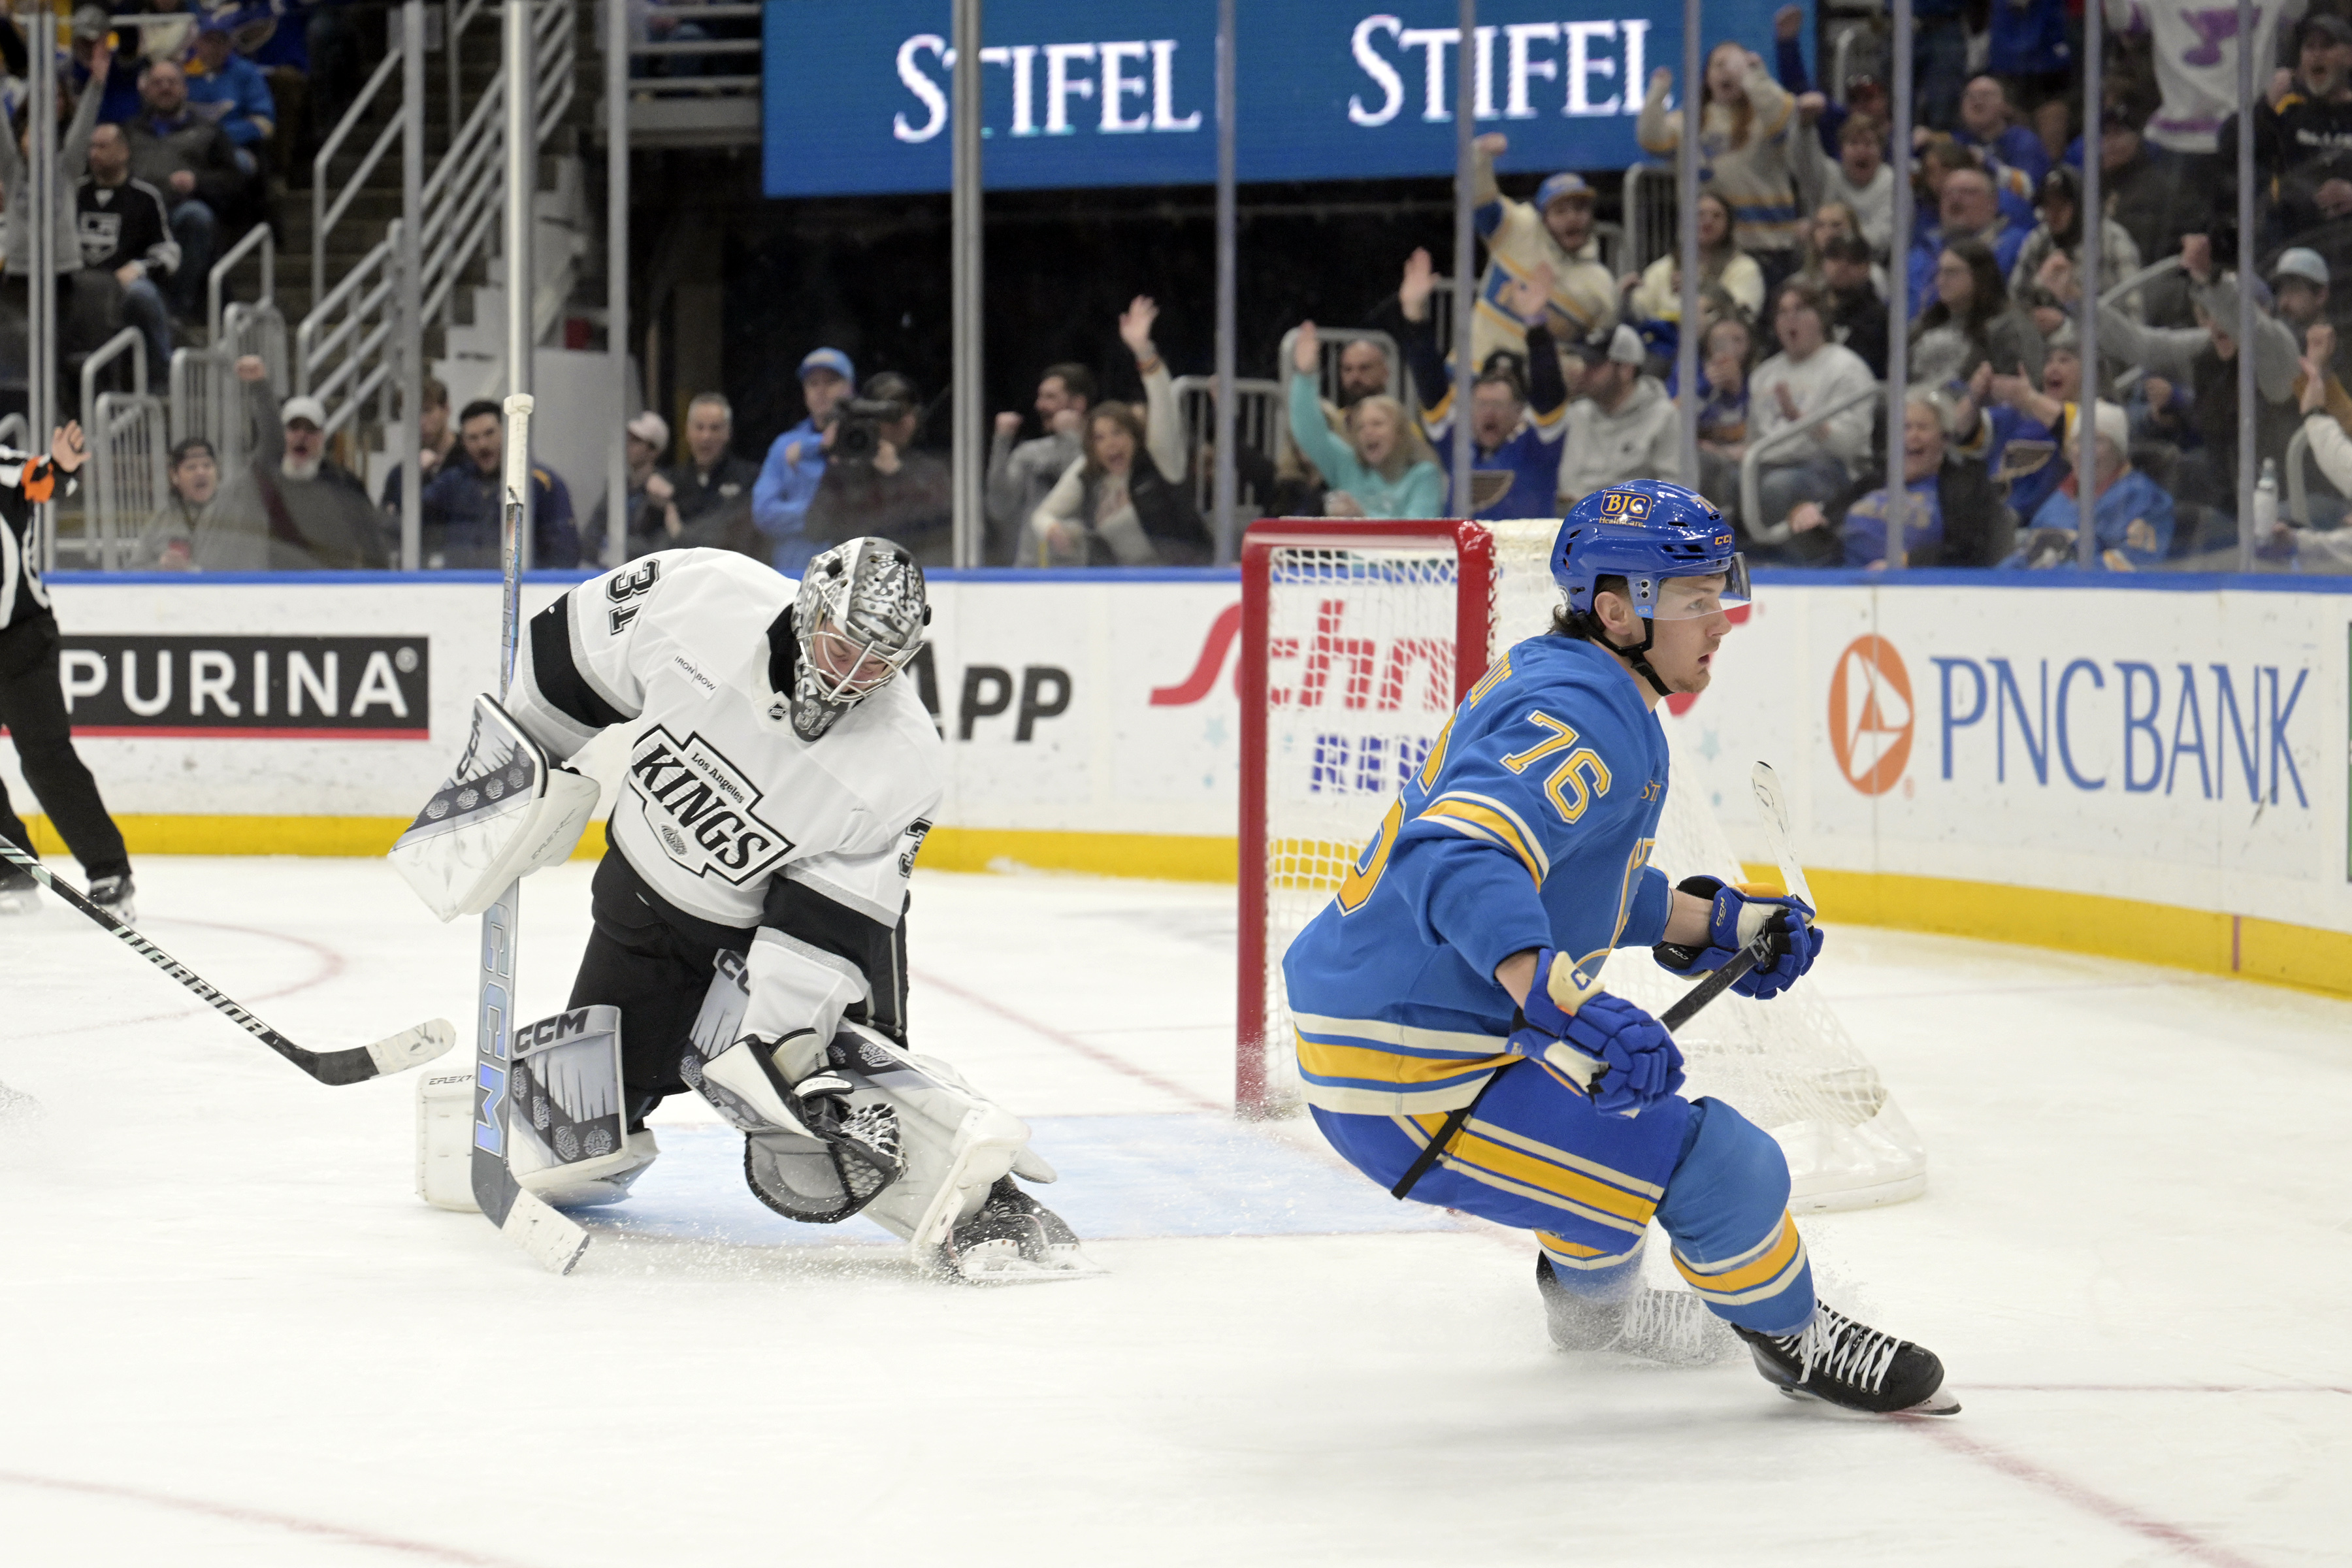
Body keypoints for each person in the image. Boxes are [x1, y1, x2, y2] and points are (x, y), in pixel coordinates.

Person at [1280, 481, 1953, 1413]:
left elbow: (1569, 884)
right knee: (1717, 1160)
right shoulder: (1591, 712)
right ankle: (1795, 1341)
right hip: (1411, 1069)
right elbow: (1460, 851)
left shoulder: (1574, 679)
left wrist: (1717, 923)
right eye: (1693, 600)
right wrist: (1561, 1003)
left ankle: (1593, 1322)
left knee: (1612, 1136)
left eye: (1721, 592)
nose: (1719, 621)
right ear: (1616, 609)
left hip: (1400, 1023)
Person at [473, 536, 1096, 1278]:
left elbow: (823, 928)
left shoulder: (900, 758)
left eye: (877, 662)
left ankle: (985, 1206)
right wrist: (522, 764)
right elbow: (569, 659)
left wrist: (777, 1047)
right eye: (841, 645)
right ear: (809, 608)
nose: (849, 675)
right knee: (567, 1132)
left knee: (823, 1084)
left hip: (753, 935)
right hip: (635, 913)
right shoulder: (701, 596)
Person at [2062, 237, 2302, 529]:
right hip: (2231, 504)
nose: (2215, 324)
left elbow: (2258, 333)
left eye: (2224, 313)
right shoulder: (2206, 347)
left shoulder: (2282, 350)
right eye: (2206, 314)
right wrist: (2077, 299)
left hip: (2289, 505)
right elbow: (2141, 346)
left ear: (2262, 312)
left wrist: (2212, 282)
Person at [0, 419, 136, 921]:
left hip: (19, 638)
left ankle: (109, 871)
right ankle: (9, 866)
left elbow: (46, 478)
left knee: (45, 755)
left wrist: (63, 466)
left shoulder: (4, 468)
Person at [1026, 298, 1206, 561]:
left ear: (1134, 437)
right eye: (1100, 437)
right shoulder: (1088, 472)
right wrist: (1056, 530)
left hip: (1185, 580)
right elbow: (1042, 516)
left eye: (1118, 433)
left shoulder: (1161, 462)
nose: (1110, 443)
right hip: (1124, 588)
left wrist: (1144, 351)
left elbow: (1163, 404)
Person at [1397, 248, 1567, 519]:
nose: (1489, 412)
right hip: (1465, 559)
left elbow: (1549, 396)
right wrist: (1414, 317)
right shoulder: (1458, 446)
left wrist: (1536, 327)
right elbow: (1432, 391)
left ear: (1519, 412)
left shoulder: (1537, 447)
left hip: (1525, 558)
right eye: (1482, 404)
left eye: (1499, 405)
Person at [1789, 390, 2012, 568]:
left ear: (1944, 439)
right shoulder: (1872, 482)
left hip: (1914, 591)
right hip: (1844, 583)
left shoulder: (1967, 485)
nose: (1911, 436)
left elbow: (1972, 550)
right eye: (1904, 427)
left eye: (1922, 427)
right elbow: (1827, 519)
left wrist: (1905, 565)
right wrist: (1805, 514)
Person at [1639, 48, 1803, 289]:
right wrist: (1657, 95)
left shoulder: (1764, 117)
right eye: (1719, 64)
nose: (1727, 71)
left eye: (1734, 65)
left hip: (1767, 244)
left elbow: (1785, 117)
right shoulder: (1688, 122)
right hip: (1707, 251)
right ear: (1707, 76)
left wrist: (1756, 77)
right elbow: (1652, 141)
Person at [1466, 132, 1620, 369]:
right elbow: (1477, 199)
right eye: (1560, 211)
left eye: (1580, 209)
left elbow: (1598, 360)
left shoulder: (1601, 285)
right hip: (1470, 376)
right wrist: (1480, 156)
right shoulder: (1519, 229)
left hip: (1535, 398)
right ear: (1543, 219)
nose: (1572, 219)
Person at [1742, 281, 1878, 542]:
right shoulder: (1764, 374)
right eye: (1782, 312)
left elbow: (1851, 447)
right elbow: (1754, 442)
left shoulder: (1847, 368)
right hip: (1770, 463)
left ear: (1821, 319)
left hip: (1830, 468)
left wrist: (1801, 420)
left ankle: (1804, 562)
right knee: (1724, 477)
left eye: (1800, 310)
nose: (1790, 319)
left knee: (1777, 487)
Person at [122, 58, 245, 323]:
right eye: (157, 83)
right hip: (136, 217)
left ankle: (177, 310)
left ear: (185, 88)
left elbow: (235, 182)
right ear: (146, 89)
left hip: (180, 217)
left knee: (195, 215)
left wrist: (198, 182)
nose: (165, 88)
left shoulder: (209, 132)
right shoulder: (129, 131)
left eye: (172, 82)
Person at [1281, 320, 1442, 522]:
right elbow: (1309, 433)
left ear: (1400, 433)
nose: (1368, 431)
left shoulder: (1424, 476)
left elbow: (1416, 531)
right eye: (1360, 427)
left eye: (1377, 424)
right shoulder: (1348, 466)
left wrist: (1362, 517)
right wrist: (1305, 375)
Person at [804, 372, 953, 564]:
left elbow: (944, 528)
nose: (899, 421)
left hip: (914, 574)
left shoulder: (931, 471)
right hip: (854, 577)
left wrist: (898, 474)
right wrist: (839, 465)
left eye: (906, 412)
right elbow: (814, 530)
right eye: (889, 414)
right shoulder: (847, 467)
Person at [2007, 401, 2175, 568]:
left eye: (2097, 440)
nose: (2084, 451)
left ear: (2118, 451)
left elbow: (2132, 565)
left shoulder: (2145, 500)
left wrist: (2058, 575)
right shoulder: (2059, 499)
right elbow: (2026, 556)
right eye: (2078, 441)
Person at [421, 399, 582, 569]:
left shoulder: (539, 483)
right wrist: (420, 474)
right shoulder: (453, 483)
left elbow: (565, 552)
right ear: (463, 442)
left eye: (489, 433)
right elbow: (412, 522)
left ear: (507, 432)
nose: (482, 445)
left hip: (522, 589)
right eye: (473, 438)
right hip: (460, 587)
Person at [75, 122, 180, 380]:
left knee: (143, 295)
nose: (94, 153)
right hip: (78, 282)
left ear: (124, 152)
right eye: (91, 147)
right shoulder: (73, 193)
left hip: (123, 284)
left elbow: (168, 251)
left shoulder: (145, 196)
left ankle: (161, 376)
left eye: (103, 146)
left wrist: (139, 268)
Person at [751, 347, 855, 575]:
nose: (821, 391)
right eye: (813, 383)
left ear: (849, 388)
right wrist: (814, 515)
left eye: (830, 382)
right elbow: (763, 512)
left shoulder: (864, 443)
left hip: (853, 575)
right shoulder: (784, 446)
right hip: (795, 575)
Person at [1558, 324, 1680, 506]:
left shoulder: (1663, 417)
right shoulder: (1578, 413)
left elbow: (1674, 493)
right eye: (1586, 363)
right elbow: (1566, 487)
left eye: (1596, 365)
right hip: (1574, 522)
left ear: (1626, 370)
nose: (1586, 372)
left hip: (1633, 526)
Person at [630, 392, 762, 561]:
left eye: (714, 428)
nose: (706, 437)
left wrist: (678, 531)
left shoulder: (749, 478)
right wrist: (654, 505)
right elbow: (644, 540)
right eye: (699, 428)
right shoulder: (669, 481)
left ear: (728, 433)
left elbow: (732, 536)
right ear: (687, 432)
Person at [986, 361, 1092, 565]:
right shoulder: (1030, 453)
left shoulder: (1102, 450)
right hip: (1031, 569)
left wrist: (1072, 439)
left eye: (1050, 397)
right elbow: (999, 507)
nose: (1039, 405)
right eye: (1040, 397)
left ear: (1078, 404)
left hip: (1085, 570)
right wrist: (1001, 442)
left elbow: (1084, 494)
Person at [2008, 165, 2143, 315]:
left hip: (2100, 335)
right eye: (2048, 205)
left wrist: (2076, 301)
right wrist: (2038, 289)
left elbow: (2133, 315)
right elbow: (2014, 305)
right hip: (2043, 336)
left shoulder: (2114, 241)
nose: (2054, 214)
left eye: (2062, 206)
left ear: (2080, 207)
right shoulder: (2039, 241)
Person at [1623, 191, 1765, 333]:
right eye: (1700, 215)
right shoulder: (1664, 268)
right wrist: (1626, 298)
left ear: (1728, 225)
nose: (1708, 221)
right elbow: (1641, 313)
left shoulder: (1745, 268)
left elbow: (1743, 315)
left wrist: (1701, 286)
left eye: (1717, 216)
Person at [1912, 238, 2045, 389]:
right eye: (1939, 272)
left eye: (1951, 272)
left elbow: (2026, 387)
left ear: (1980, 275)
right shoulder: (1924, 325)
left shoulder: (2010, 328)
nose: (1941, 281)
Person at [1907, 165, 2027, 320]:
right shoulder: (1919, 254)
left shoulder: (2015, 246)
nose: (1955, 199)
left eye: (1968, 192)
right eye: (1948, 193)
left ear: (1993, 203)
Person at [183, 14, 276, 174]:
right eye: (208, 40)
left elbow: (265, 123)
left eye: (221, 41)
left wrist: (220, 138)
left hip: (236, 148)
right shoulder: (183, 74)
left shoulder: (246, 72)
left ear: (230, 44)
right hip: (189, 147)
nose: (214, 48)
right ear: (197, 43)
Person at [583, 409, 666, 558]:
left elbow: (658, 542)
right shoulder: (618, 488)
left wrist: (619, 547)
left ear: (653, 451)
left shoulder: (664, 490)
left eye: (637, 441)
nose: (629, 445)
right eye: (629, 439)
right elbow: (592, 532)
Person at [131, 437, 223, 569]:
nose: (201, 472)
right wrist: (160, 568)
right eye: (191, 467)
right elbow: (133, 571)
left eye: (207, 465)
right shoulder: (159, 523)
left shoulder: (236, 517)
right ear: (174, 475)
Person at [377, 376, 457, 516]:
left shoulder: (470, 459)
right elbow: (388, 523)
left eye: (427, 411)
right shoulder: (400, 474)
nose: (421, 422)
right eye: (412, 414)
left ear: (446, 410)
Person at [1955, 75, 2051, 188]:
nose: (1977, 101)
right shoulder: (1957, 141)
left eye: (1986, 95)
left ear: (2006, 106)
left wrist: (1986, 163)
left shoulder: (2024, 141)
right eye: (1969, 96)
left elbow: (2027, 188)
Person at [1823, 116, 1894, 259]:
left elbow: (1885, 237)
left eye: (1869, 144)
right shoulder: (1830, 175)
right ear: (1841, 151)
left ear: (1881, 151)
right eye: (1853, 143)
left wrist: (1840, 234)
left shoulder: (1892, 181)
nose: (1861, 150)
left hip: (1874, 263)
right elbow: (1804, 161)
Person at [1820, 233, 1889, 378]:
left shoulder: (1878, 319)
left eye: (1854, 260)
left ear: (1868, 268)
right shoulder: (1809, 309)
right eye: (1835, 257)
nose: (1843, 266)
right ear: (1824, 263)